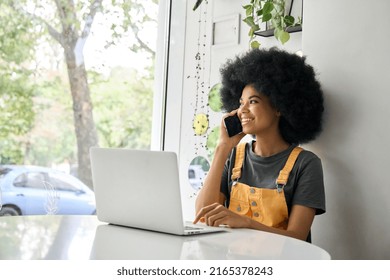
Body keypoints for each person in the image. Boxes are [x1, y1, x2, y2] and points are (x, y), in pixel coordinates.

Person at [193, 47, 325, 242]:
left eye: (252, 101)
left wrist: (246, 223)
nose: (241, 110)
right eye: (240, 102)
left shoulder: (306, 164)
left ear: (279, 107)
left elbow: (297, 237)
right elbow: (202, 216)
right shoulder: (232, 156)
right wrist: (222, 148)